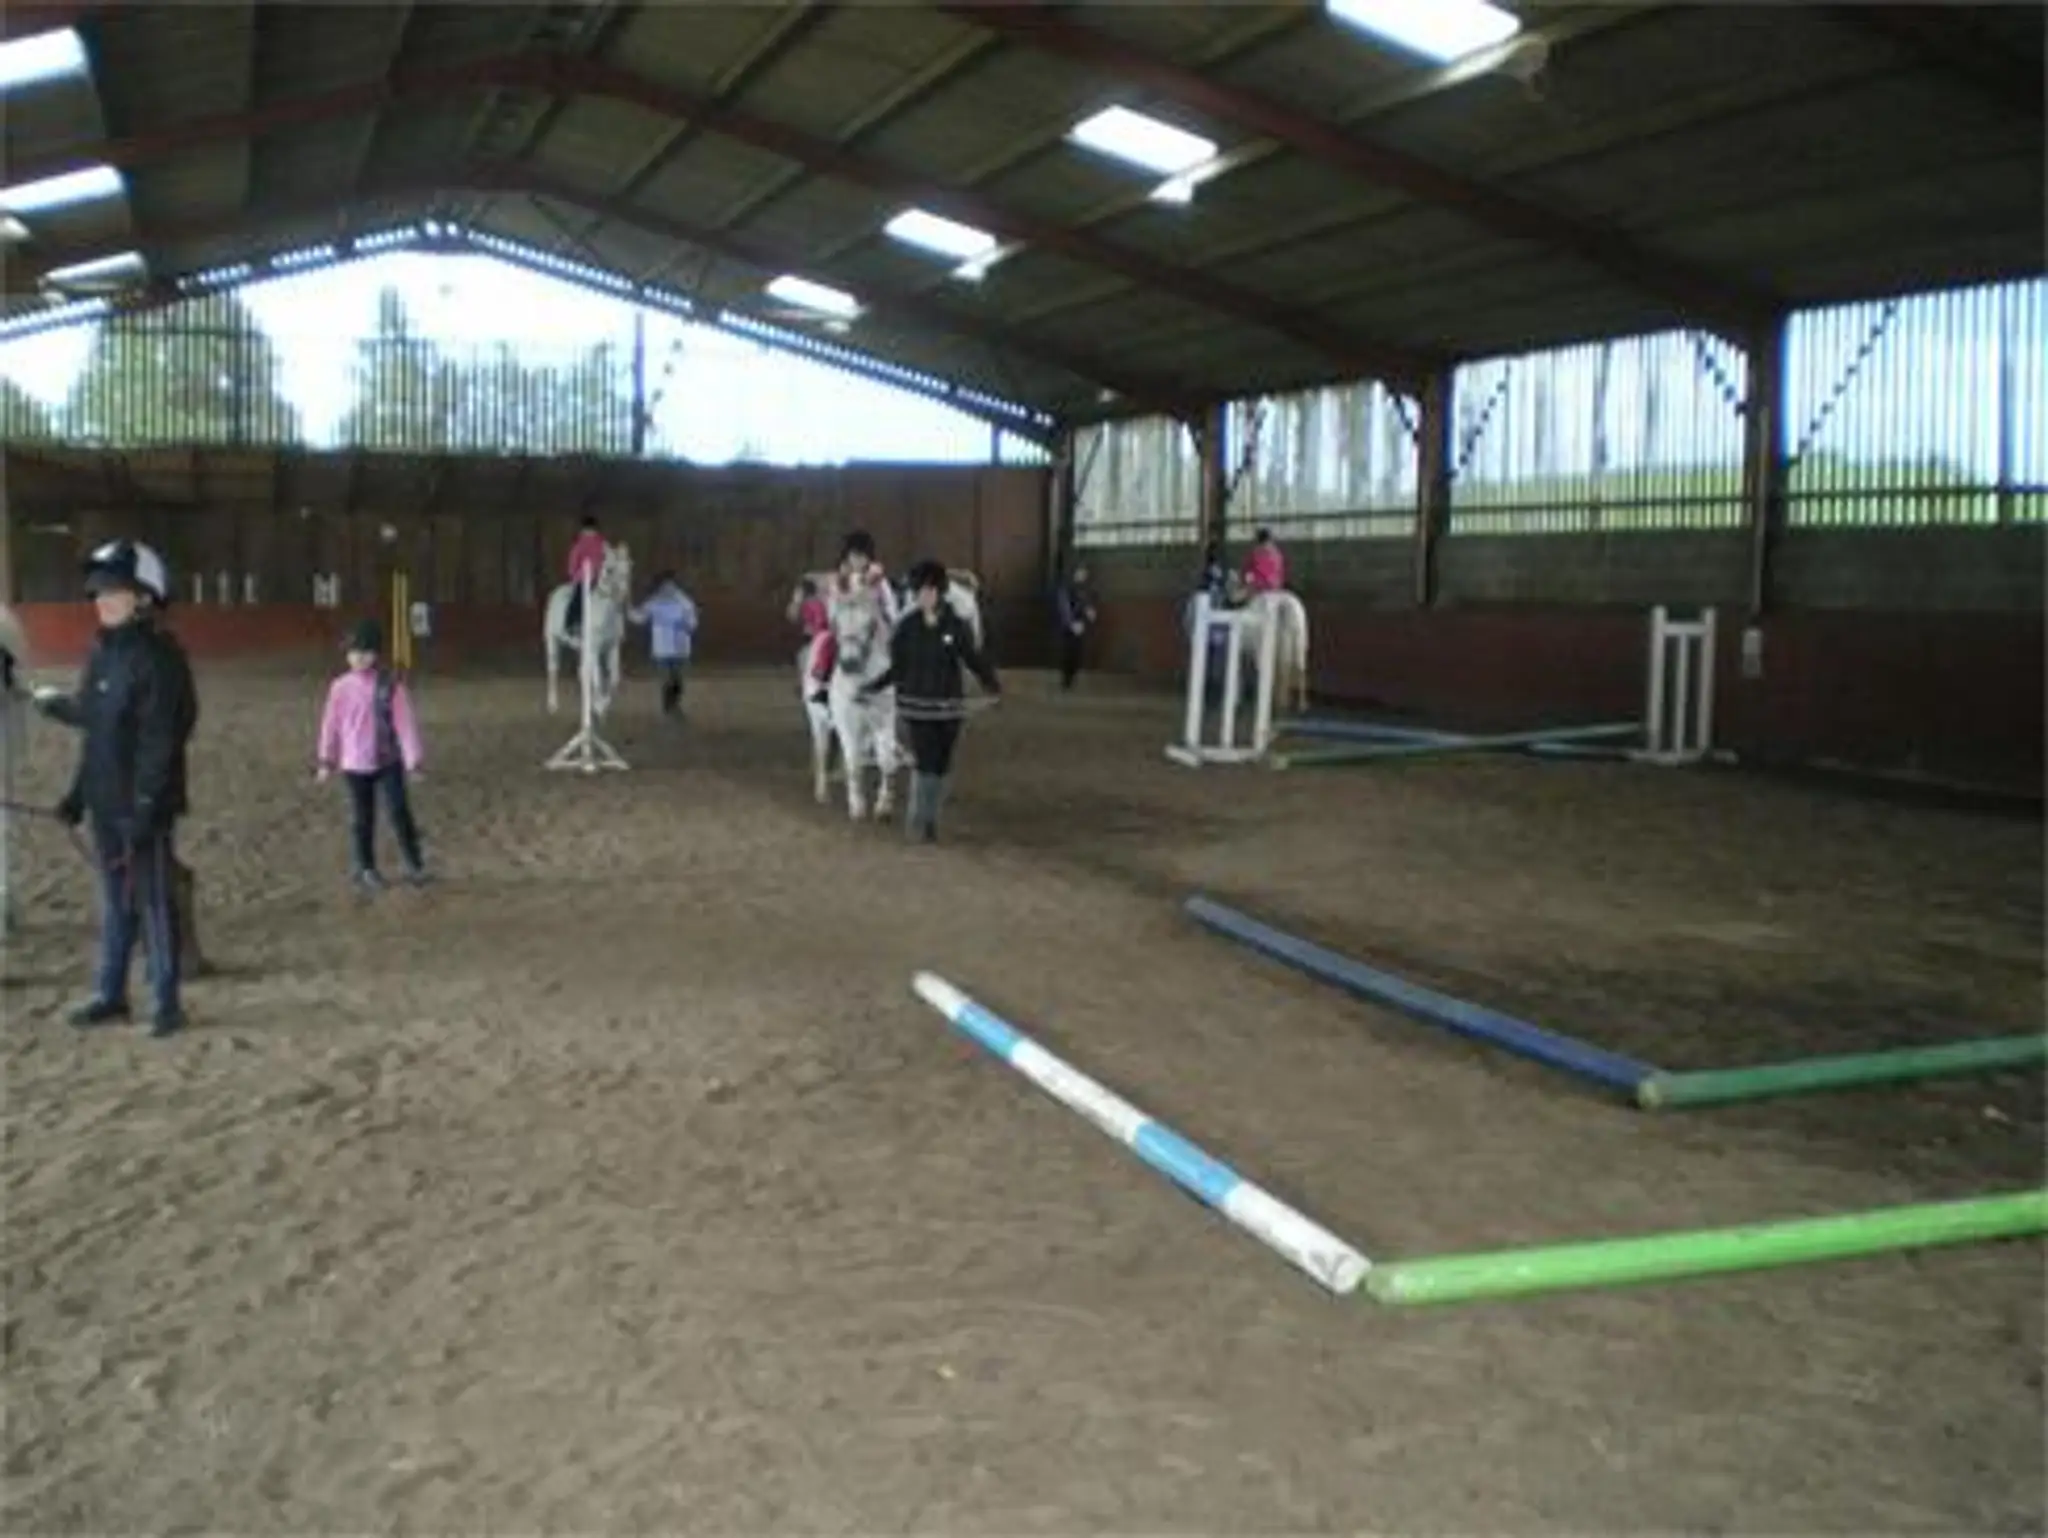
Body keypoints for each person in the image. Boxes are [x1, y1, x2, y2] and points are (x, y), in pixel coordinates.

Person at [54, 539, 200, 1038]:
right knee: (114, 900)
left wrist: (145, 804)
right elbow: (97, 731)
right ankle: (112, 993)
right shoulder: (101, 654)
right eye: (98, 593)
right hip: (103, 800)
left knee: (155, 901)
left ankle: (166, 1001)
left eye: (114, 592)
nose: (102, 601)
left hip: (142, 806)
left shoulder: (160, 660)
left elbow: (163, 740)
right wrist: (78, 794)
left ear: (144, 597)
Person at [861, 559, 1000, 843]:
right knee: (924, 761)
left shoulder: (956, 626)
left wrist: (991, 685)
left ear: (938, 592)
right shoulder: (907, 629)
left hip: (948, 707)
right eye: (917, 592)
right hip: (917, 706)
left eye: (925, 591)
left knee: (941, 764)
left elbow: (972, 658)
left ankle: (931, 819)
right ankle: (917, 822)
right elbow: (898, 668)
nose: (920, 597)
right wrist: (873, 687)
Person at [315, 617, 427, 893]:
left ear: (376, 654)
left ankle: (414, 863)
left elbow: (405, 724)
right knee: (362, 819)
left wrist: (413, 760)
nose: (359, 658)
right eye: (354, 653)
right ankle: (366, 867)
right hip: (354, 764)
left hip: (388, 760)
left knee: (399, 812)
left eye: (365, 652)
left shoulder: (391, 686)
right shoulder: (339, 688)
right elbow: (331, 724)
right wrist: (326, 759)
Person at [807, 530, 894, 706]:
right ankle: (823, 681)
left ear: (869, 558)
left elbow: (890, 604)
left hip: (873, 626)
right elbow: (832, 605)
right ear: (847, 557)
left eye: (862, 557)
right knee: (825, 641)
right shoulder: (840, 580)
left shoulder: (878, 580)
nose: (858, 561)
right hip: (845, 626)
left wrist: (889, 619)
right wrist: (835, 621)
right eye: (854, 556)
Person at [629, 570, 699, 718]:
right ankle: (668, 707)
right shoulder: (654, 602)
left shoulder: (684, 602)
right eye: (665, 585)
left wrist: (685, 625)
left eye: (670, 584)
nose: (668, 588)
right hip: (662, 648)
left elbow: (692, 622)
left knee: (677, 679)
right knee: (666, 678)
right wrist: (627, 608)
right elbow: (639, 618)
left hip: (680, 647)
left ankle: (675, 703)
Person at [1054, 562, 1097, 692]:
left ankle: (1070, 678)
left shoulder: (1083, 588)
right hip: (1069, 625)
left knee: (1077, 653)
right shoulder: (1067, 587)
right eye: (1081, 573)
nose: (1083, 576)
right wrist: (1071, 623)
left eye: (1085, 574)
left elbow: (1085, 603)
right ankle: (1066, 680)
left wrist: (1089, 611)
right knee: (1069, 652)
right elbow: (1064, 606)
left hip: (1079, 623)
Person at [562, 515, 607, 638]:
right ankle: (572, 623)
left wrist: (572, 574)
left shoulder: (587, 542)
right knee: (578, 597)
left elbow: (573, 560)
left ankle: (571, 623)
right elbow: (574, 560)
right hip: (588, 577)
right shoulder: (594, 542)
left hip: (595, 576)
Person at [1242, 526, 1287, 594]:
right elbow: (1281, 572)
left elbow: (1245, 570)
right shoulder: (1277, 553)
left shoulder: (1254, 553)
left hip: (1258, 587)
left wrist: (1245, 581)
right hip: (1275, 587)